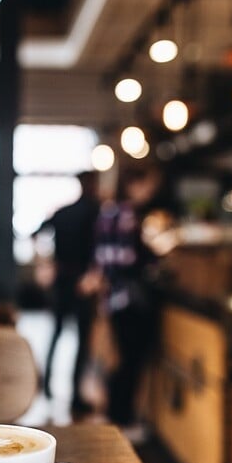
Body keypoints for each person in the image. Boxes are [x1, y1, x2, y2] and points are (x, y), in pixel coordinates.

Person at [92, 164, 165, 438]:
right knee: (131, 360)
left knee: (122, 358)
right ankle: (121, 419)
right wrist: (154, 258)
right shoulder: (126, 216)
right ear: (133, 184)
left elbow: (103, 259)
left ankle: (117, 416)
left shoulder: (108, 213)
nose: (150, 192)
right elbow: (127, 261)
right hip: (130, 299)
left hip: (115, 298)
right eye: (147, 186)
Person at [35, 171, 100, 414]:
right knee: (82, 340)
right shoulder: (96, 211)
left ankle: (47, 385)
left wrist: (45, 264)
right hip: (83, 282)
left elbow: (36, 234)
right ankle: (74, 396)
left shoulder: (62, 212)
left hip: (61, 279)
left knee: (57, 332)